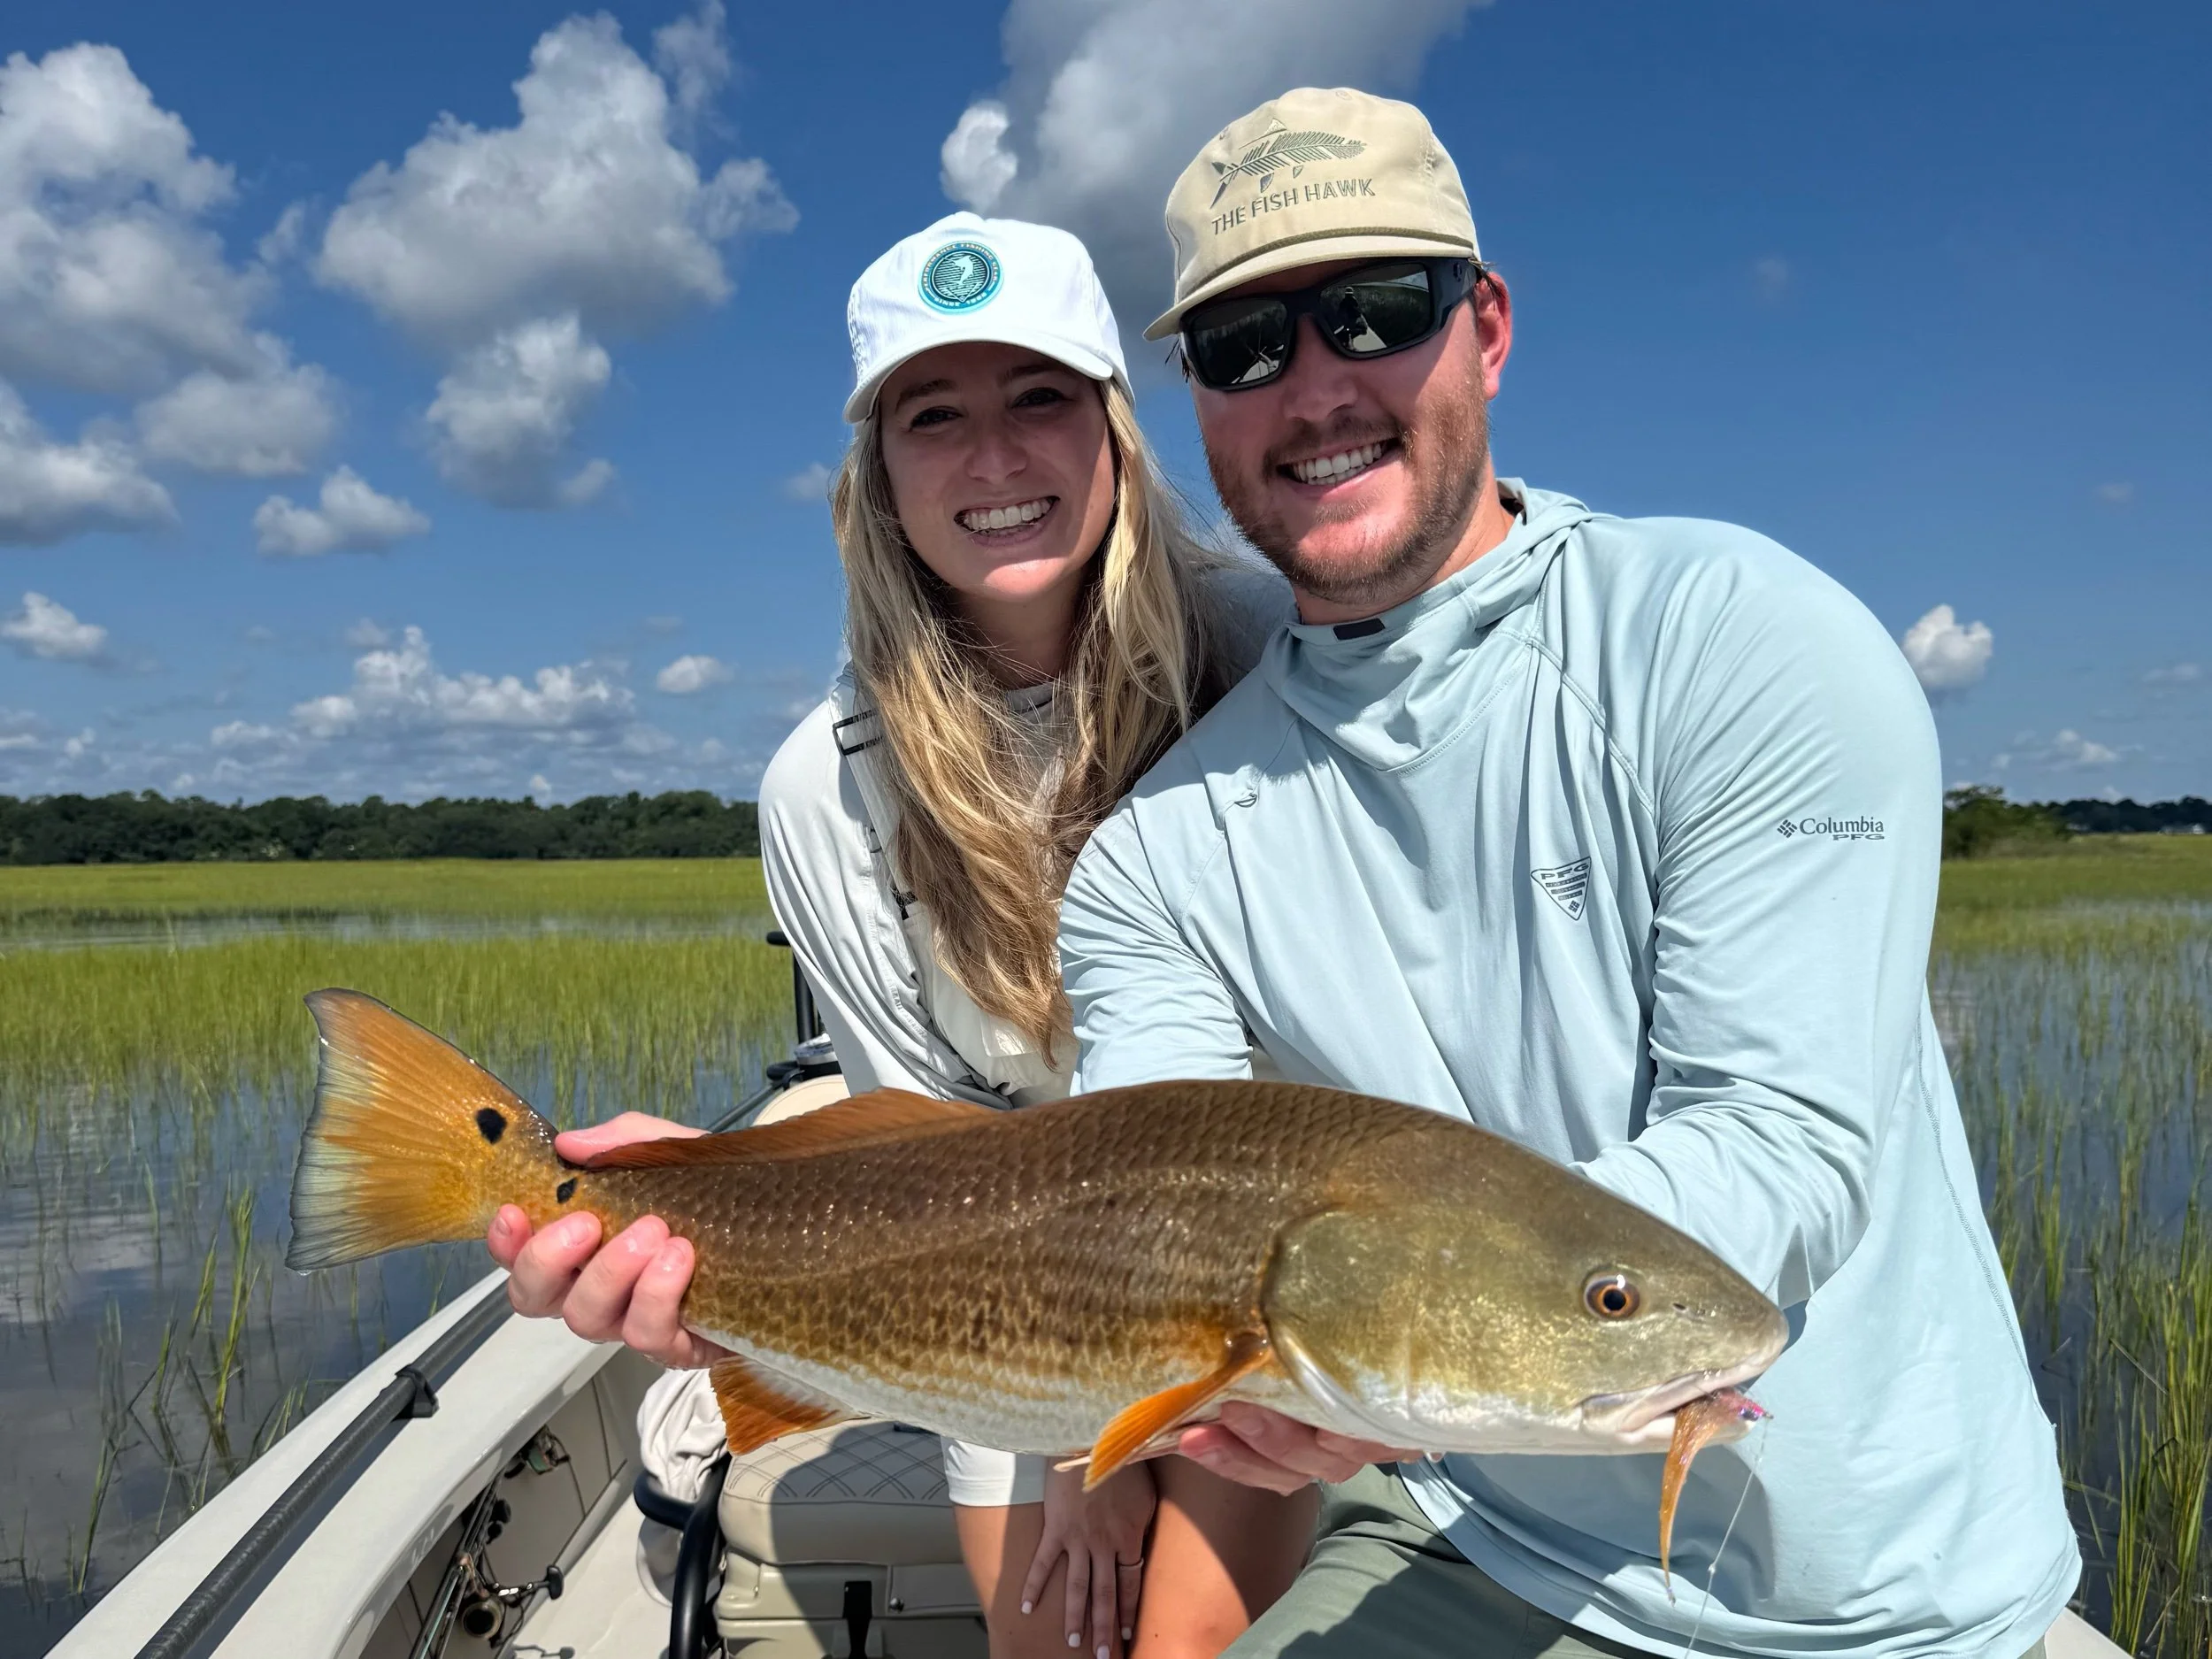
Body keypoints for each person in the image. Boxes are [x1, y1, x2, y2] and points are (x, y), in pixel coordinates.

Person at [1051, 87, 2081, 1659]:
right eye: (1247, 345)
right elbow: (1149, 1192)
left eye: (1373, 310)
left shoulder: (1736, 639)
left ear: (1489, 327)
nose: (1314, 387)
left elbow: (1782, 1138)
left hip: (1893, 1598)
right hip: (1486, 1534)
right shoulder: (1152, 858)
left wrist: (1404, 1349)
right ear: (1196, 398)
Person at [486, 212, 1312, 1659]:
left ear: (1115, 430)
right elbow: (926, 1155)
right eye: (936, 417)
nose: (994, 460)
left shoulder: (1274, 648)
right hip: (999, 1312)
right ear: (878, 476)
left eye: (1039, 399)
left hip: (1278, 1278)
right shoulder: (827, 782)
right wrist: (1081, 1453)